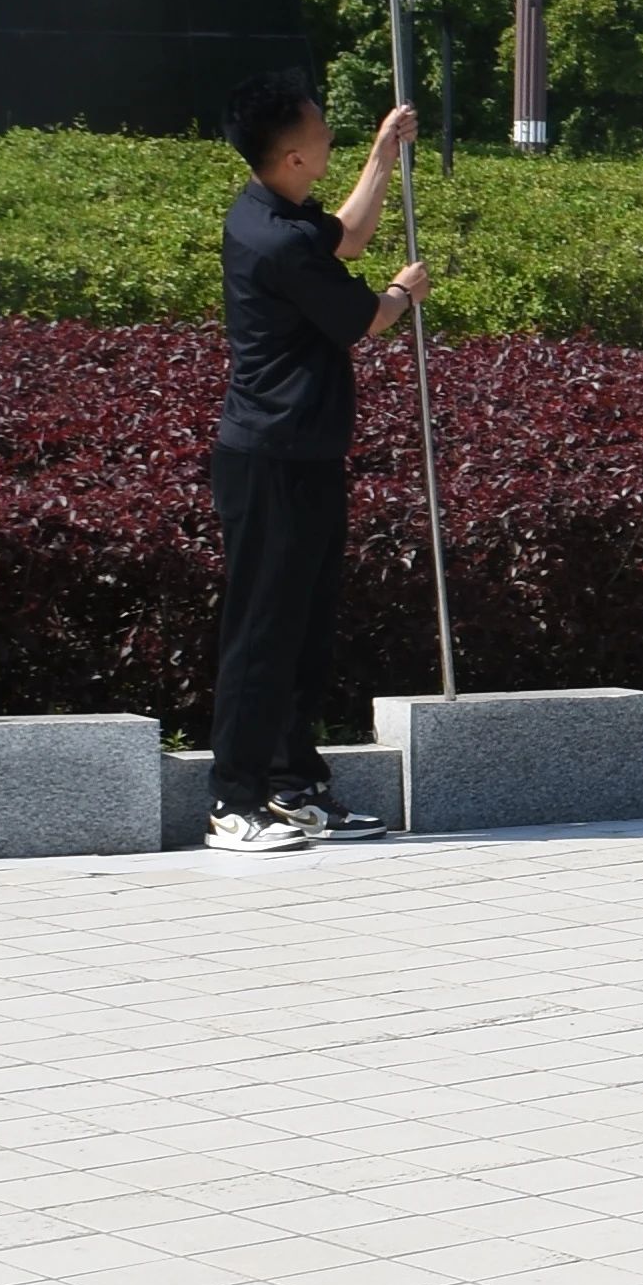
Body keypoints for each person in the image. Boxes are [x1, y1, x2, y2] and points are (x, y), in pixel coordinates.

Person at [201, 68, 427, 853]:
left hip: (307, 453)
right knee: (263, 633)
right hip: (271, 460)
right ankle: (233, 801)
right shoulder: (278, 241)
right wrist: (403, 291)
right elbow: (366, 317)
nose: (328, 135)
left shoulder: (275, 210)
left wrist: (383, 153)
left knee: (303, 631)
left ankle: (292, 787)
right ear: (294, 156)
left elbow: (348, 234)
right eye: (320, 130)